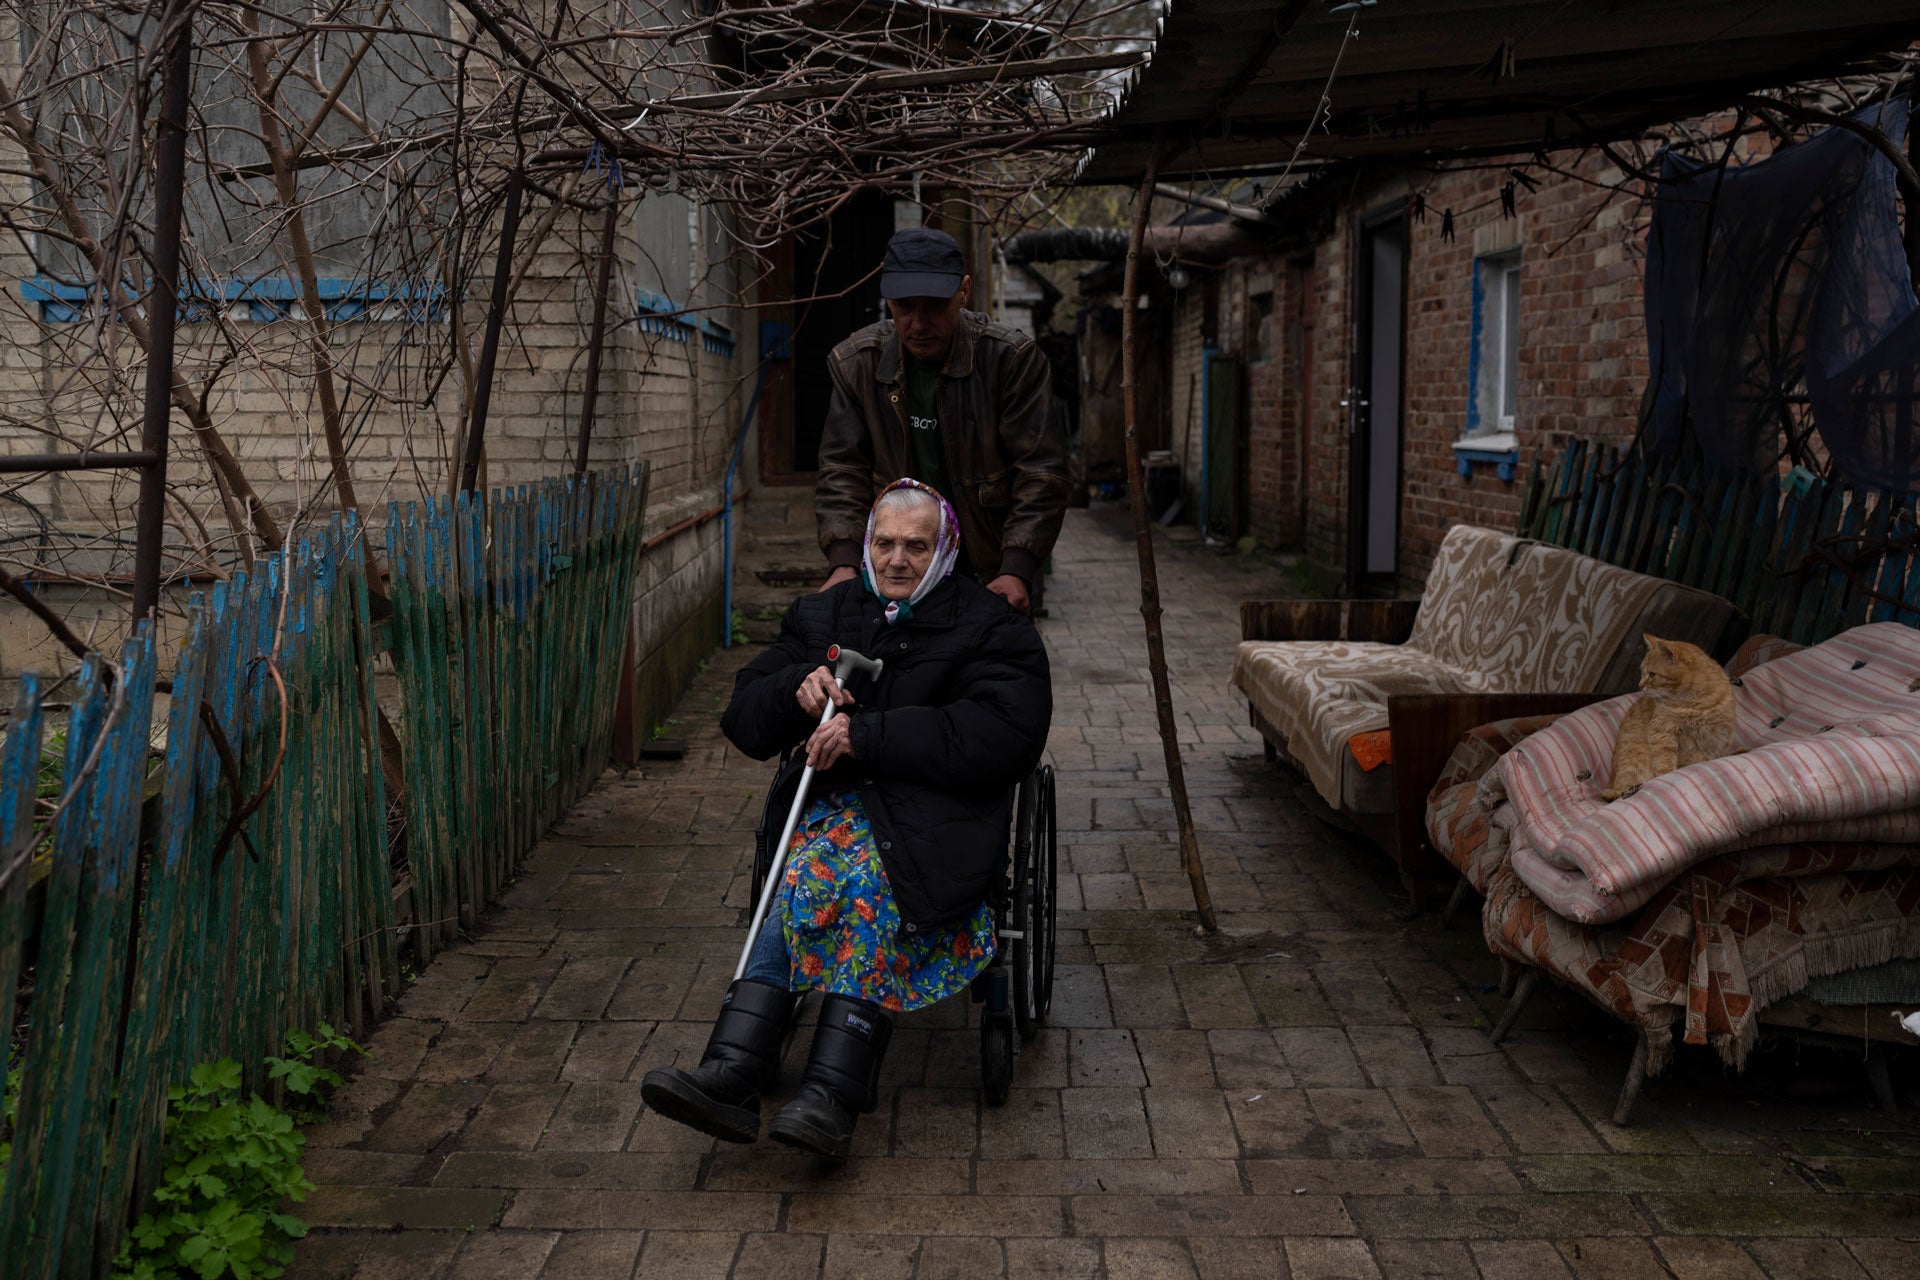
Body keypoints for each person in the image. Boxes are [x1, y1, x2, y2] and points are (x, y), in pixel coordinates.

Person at [640, 479, 1051, 1159]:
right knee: (803, 867)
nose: (895, 559)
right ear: (866, 546)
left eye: (915, 546)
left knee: (865, 882)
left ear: (943, 550)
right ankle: (735, 1070)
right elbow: (743, 718)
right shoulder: (828, 616)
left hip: (936, 820)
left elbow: (1006, 733)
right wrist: (793, 695)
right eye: (883, 543)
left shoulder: (991, 629)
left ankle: (831, 1094)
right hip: (834, 813)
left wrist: (870, 737)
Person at [815, 227, 1068, 615]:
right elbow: (841, 469)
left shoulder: (1010, 360)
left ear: (963, 292)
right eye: (903, 306)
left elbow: (1041, 473)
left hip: (987, 572)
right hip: (894, 576)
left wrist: (1017, 568)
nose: (917, 323)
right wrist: (845, 561)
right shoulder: (857, 364)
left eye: (933, 305)